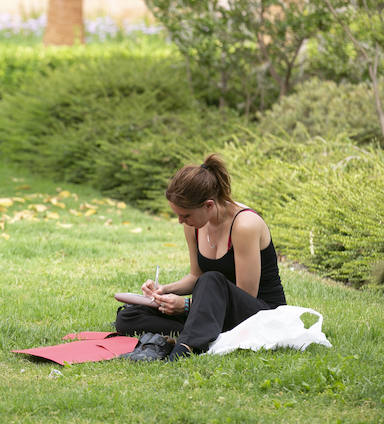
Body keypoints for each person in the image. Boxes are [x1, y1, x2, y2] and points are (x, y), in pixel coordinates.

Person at [115, 154, 287, 361]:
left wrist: (187, 305)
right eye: (178, 215)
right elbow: (195, 276)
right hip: (212, 310)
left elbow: (244, 295)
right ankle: (202, 332)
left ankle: (184, 348)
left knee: (211, 279)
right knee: (129, 316)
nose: (180, 221)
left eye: (185, 215)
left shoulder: (245, 225)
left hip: (258, 312)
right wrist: (163, 292)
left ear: (209, 205)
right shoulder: (193, 225)